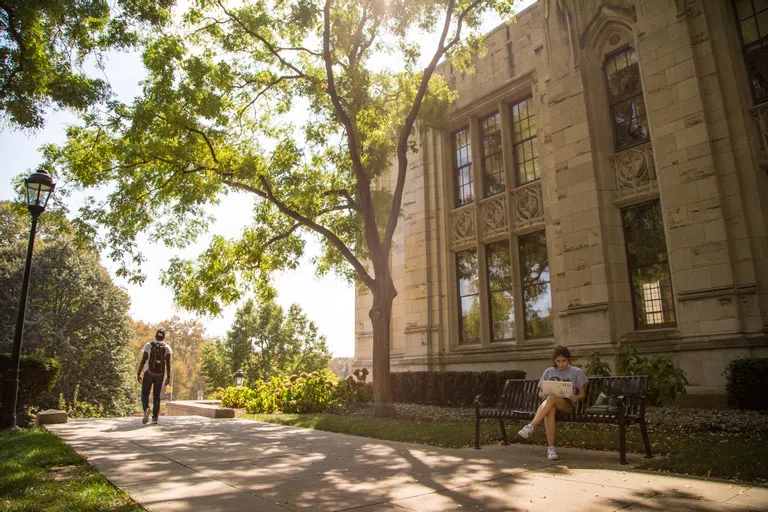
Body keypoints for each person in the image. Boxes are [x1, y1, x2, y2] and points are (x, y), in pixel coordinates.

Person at [517, 345, 588, 461]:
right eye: (558, 361)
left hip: (568, 405)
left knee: (552, 398)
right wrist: (546, 392)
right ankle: (551, 449)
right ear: (554, 360)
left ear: (568, 359)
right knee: (550, 409)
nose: (561, 364)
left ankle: (531, 426)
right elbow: (540, 393)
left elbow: (582, 394)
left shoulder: (576, 372)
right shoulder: (548, 372)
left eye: (564, 361)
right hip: (550, 404)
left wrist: (576, 397)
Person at [137, 329, 173, 425]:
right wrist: (168, 377)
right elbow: (168, 364)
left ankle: (146, 409)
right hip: (160, 375)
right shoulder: (167, 347)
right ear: (163, 337)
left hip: (149, 373)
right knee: (156, 395)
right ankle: (155, 418)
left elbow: (143, 360)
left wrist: (139, 373)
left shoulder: (148, 345)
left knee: (145, 393)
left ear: (155, 336)